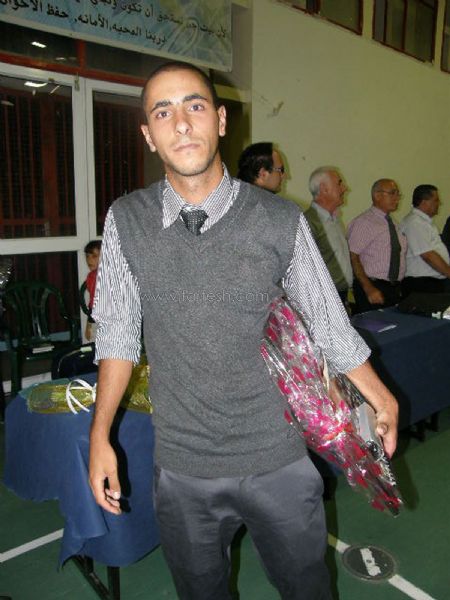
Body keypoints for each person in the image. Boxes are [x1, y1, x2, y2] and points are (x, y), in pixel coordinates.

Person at [89, 61, 398, 600]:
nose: (181, 123)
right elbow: (116, 334)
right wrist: (100, 436)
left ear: (221, 120)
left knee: (307, 590)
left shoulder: (279, 219)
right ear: (149, 135)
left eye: (195, 105)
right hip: (183, 467)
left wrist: (379, 395)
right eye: (163, 112)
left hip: (278, 458)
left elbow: (328, 320)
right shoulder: (127, 220)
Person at [347, 179, 407, 313]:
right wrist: (368, 288)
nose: (397, 198)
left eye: (398, 194)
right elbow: (352, 256)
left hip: (393, 288)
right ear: (377, 195)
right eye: (392, 193)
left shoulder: (392, 223)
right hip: (372, 287)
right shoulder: (364, 222)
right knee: (376, 325)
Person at [304, 167, 353, 306]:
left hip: (341, 296)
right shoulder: (308, 222)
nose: (345, 188)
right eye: (339, 183)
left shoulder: (335, 220)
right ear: (324, 189)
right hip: (323, 299)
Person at [400, 185, 450, 295]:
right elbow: (428, 255)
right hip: (421, 284)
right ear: (424, 202)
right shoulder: (415, 223)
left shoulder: (423, 222)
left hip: (429, 283)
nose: (439, 203)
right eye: (436, 200)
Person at [83, 240, 101, 341]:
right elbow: (92, 302)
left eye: (94, 256)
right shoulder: (90, 276)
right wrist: (88, 323)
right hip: (94, 314)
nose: (89, 260)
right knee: (92, 340)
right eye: (87, 256)